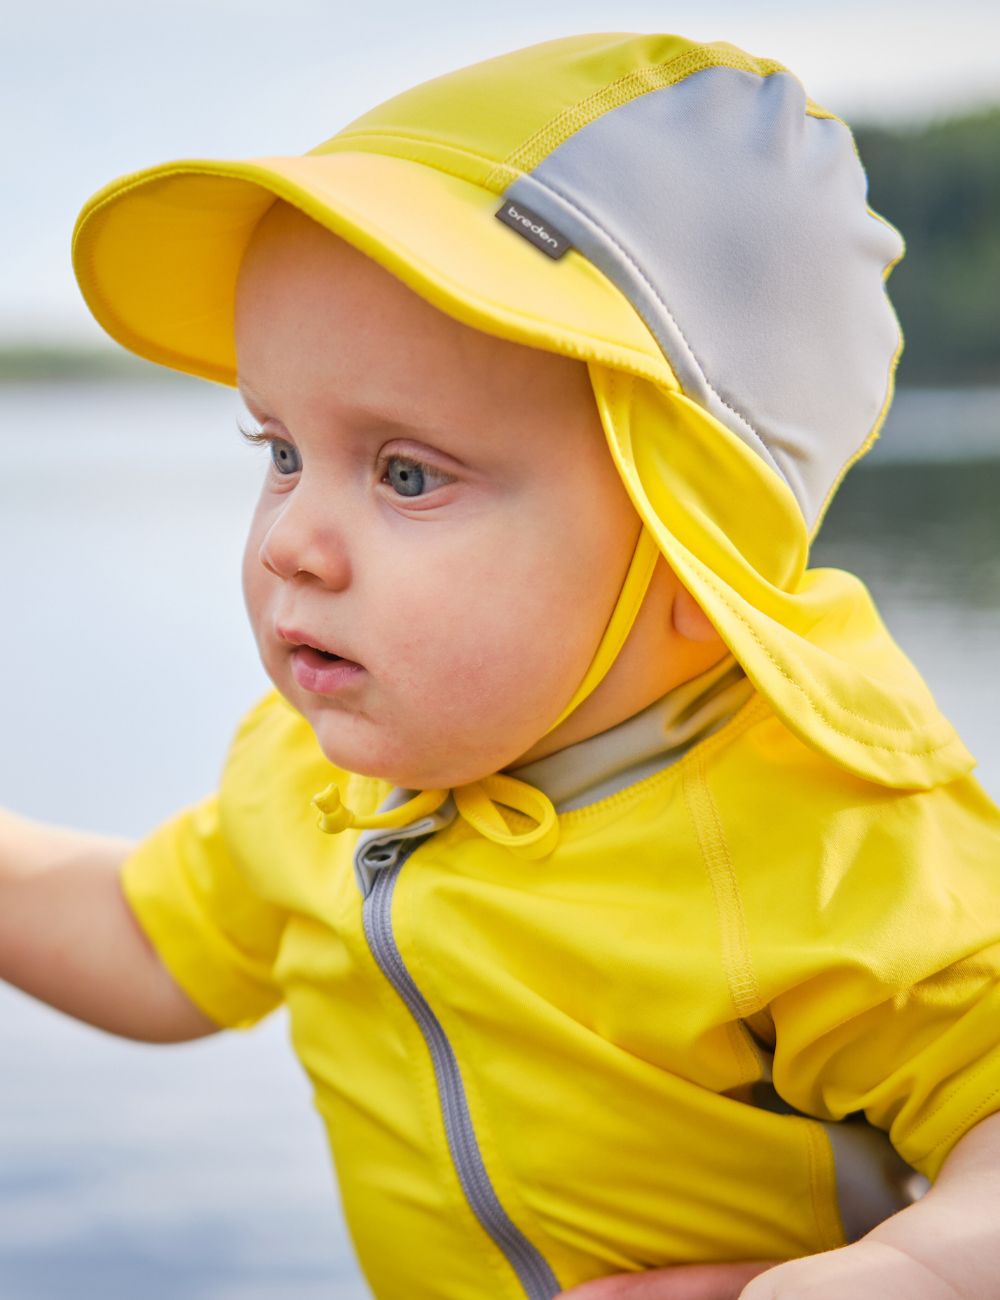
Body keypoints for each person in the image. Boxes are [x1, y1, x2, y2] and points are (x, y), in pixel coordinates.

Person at [4, 30, 999, 1300]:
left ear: (690, 545)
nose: (291, 542)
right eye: (281, 451)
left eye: (407, 474)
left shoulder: (830, 838)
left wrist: (906, 1272)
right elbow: (153, 946)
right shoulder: (314, 772)